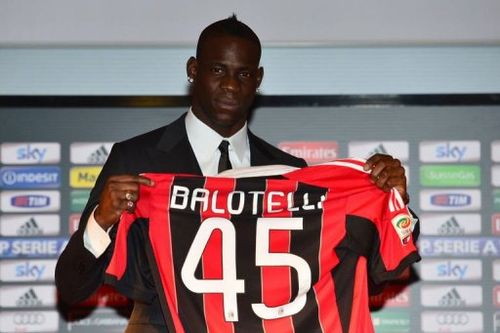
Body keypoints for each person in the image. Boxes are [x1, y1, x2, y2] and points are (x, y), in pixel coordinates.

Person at [56, 15, 413, 333]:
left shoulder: (292, 174)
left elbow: (365, 277)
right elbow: (73, 287)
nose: (231, 85)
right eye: (217, 70)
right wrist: (102, 221)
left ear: (258, 79)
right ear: (193, 70)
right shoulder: (138, 157)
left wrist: (393, 202)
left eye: (243, 74)